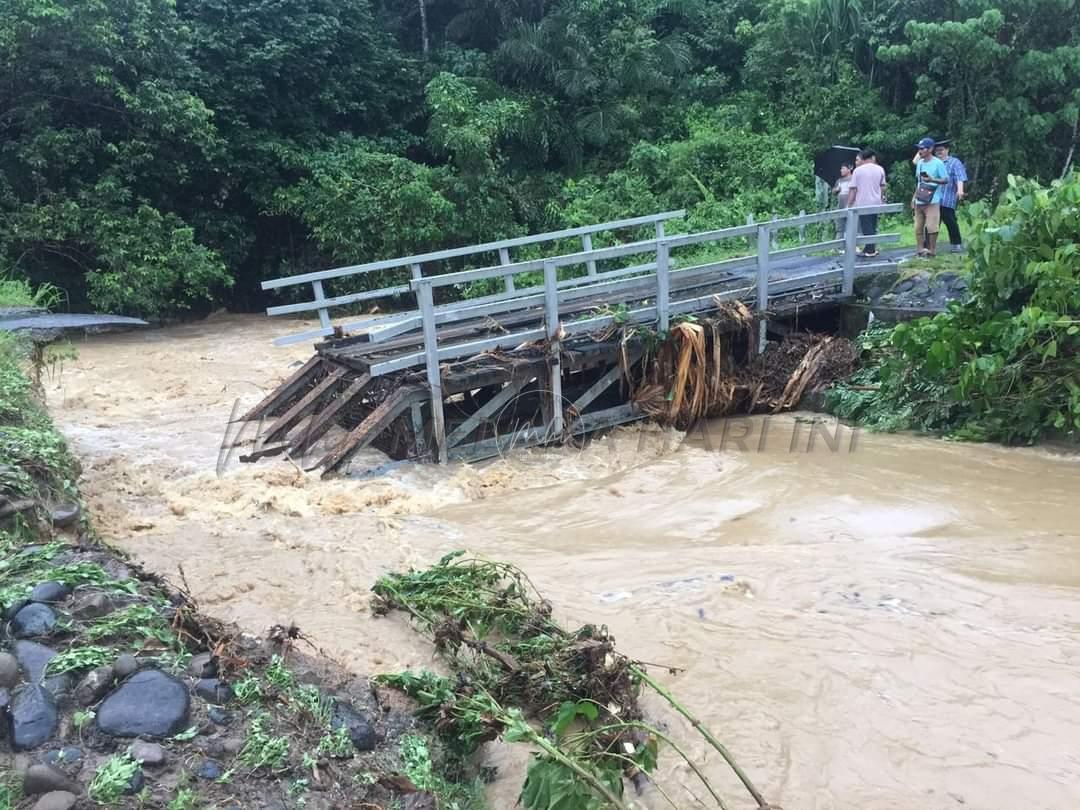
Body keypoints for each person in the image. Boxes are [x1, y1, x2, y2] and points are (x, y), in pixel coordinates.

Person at [911, 137, 948, 257]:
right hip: (920, 198)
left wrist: (932, 179)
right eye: (919, 149)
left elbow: (945, 179)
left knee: (932, 226)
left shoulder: (938, 163)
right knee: (918, 226)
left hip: (933, 199)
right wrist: (914, 197)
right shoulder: (920, 163)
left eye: (922, 149)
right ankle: (920, 249)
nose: (920, 151)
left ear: (930, 149)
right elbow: (919, 182)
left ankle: (932, 250)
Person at [847, 149, 886, 257]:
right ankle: (870, 248)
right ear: (872, 157)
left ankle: (870, 250)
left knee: (866, 226)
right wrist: (881, 198)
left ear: (863, 158)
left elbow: (853, 189)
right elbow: (882, 186)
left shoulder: (858, 171)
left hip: (863, 202)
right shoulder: (880, 169)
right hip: (876, 202)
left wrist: (849, 203)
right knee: (873, 225)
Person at [934, 142, 968, 253]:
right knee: (932, 223)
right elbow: (916, 162)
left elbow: (960, 177)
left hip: (947, 197)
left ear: (947, 150)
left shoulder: (954, 162)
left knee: (951, 221)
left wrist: (960, 190)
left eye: (941, 149)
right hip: (933, 198)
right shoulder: (933, 162)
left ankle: (956, 244)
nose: (939, 152)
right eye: (937, 150)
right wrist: (922, 149)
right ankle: (928, 246)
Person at [832, 163, 854, 240]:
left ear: (850, 168)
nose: (841, 170)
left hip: (852, 206)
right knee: (840, 227)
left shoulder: (854, 179)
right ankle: (839, 246)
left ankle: (854, 245)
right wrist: (836, 189)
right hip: (840, 206)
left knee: (852, 226)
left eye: (843, 168)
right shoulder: (839, 180)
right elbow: (833, 192)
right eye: (841, 169)